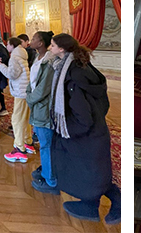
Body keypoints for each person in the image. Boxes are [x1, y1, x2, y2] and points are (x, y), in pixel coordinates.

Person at [48, 33, 120, 224]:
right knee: (96, 171)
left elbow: (83, 117)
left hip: (84, 134)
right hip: (96, 131)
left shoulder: (72, 76)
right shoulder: (83, 67)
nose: (50, 48)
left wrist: (67, 130)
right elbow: (102, 103)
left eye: (53, 45)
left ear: (62, 49)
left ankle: (91, 207)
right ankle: (105, 202)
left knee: (87, 170)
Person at [26, 31, 59, 194]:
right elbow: (32, 82)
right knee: (44, 141)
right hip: (37, 106)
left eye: (34, 39)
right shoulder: (37, 59)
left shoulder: (49, 62)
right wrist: (28, 93)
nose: (31, 41)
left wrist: (30, 99)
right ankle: (46, 171)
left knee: (46, 144)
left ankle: (51, 181)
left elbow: (43, 89)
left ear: (40, 43)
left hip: (43, 107)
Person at [0, 36, 32, 162]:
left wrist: (0, 65)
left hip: (20, 92)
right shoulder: (22, 54)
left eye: (8, 44)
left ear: (12, 45)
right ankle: (28, 141)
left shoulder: (14, 57)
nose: (6, 47)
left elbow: (11, 74)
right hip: (25, 91)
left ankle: (19, 149)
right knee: (25, 117)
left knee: (17, 120)